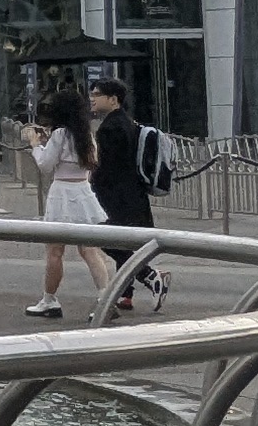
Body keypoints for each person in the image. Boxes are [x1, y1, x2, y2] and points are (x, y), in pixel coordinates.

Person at [88, 77, 170, 310]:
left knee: (106, 239)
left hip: (117, 196)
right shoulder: (127, 122)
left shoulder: (110, 128)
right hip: (133, 194)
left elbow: (108, 167)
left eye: (97, 95)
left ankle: (151, 276)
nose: (92, 99)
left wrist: (93, 181)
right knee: (122, 240)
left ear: (113, 99)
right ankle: (125, 293)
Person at [22, 88, 103, 316]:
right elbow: (91, 163)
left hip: (62, 193)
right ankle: (105, 296)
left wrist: (36, 145)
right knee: (89, 250)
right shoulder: (87, 134)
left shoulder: (60, 135)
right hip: (83, 191)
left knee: (55, 251)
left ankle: (49, 299)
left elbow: (45, 165)